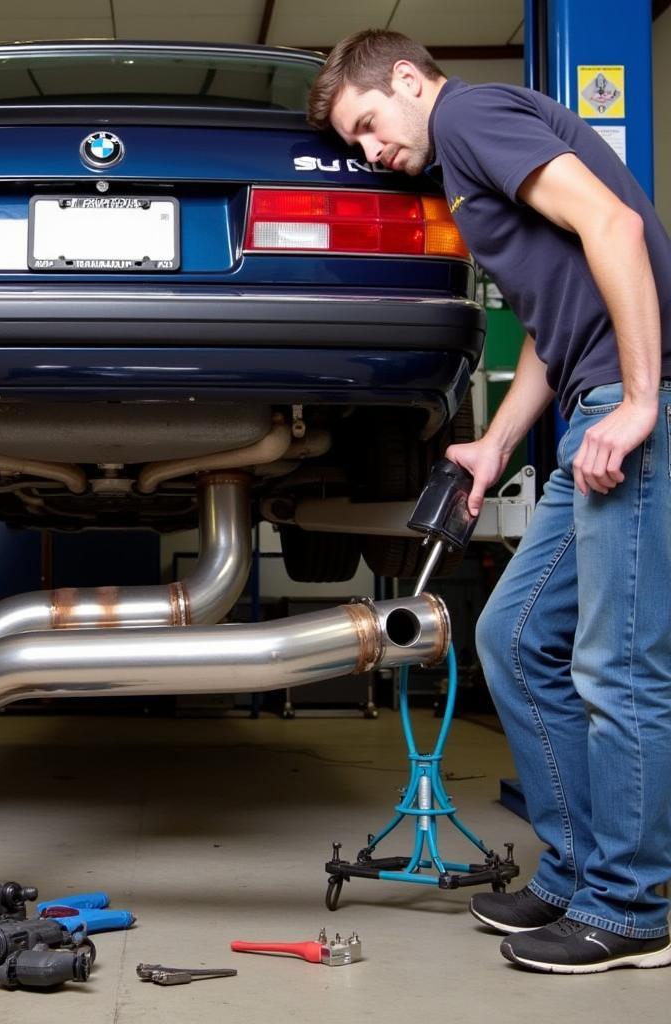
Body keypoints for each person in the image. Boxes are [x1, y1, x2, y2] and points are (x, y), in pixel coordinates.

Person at [308, 29, 671, 974]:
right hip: (593, 402)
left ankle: (633, 912)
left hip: (632, 408)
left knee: (619, 667)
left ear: (405, 80)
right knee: (510, 636)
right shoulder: (465, 174)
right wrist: (496, 442)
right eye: (356, 145)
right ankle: (578, 870)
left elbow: (616, 229)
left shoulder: (468, 118)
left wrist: (640, 401)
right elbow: (556, 323)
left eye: (370, 127)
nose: (371, 153)